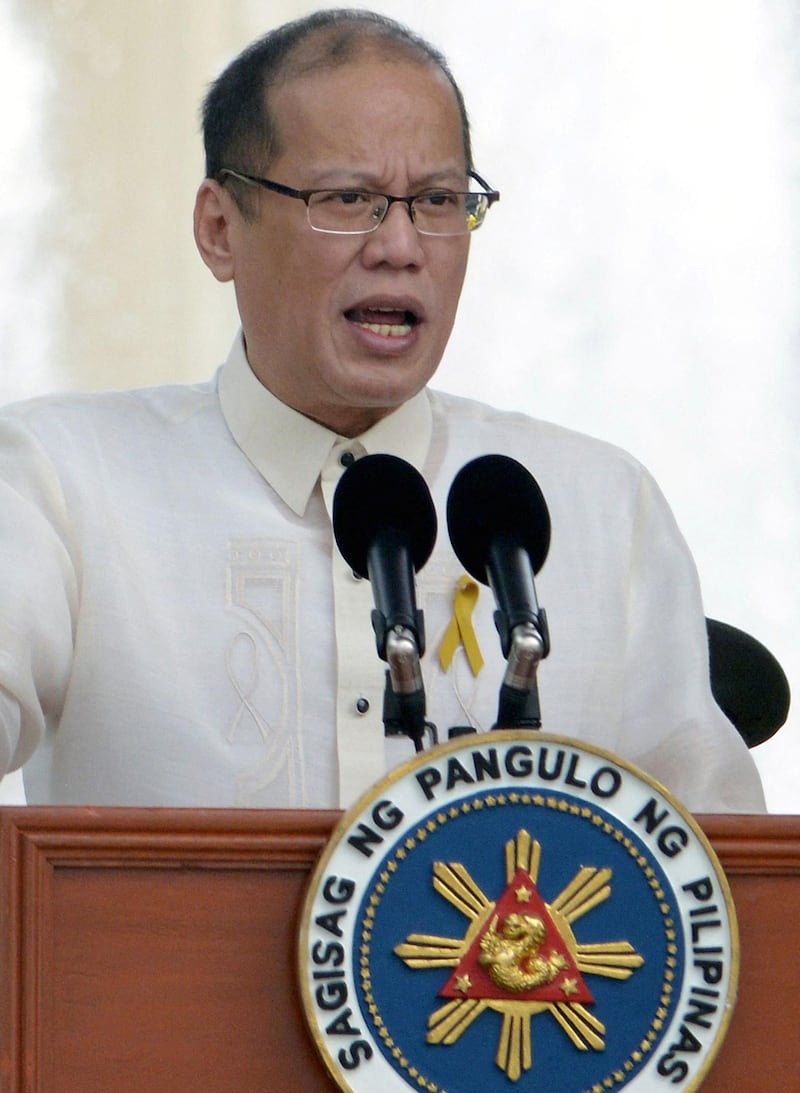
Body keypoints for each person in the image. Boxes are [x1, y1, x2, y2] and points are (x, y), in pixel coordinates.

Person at [0, 9, 764, 812]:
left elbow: (718, 878)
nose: (401, 245)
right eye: (349, 198)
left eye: (437, 200)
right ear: (220, 229)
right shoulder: (62, 485)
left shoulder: (603, 508)